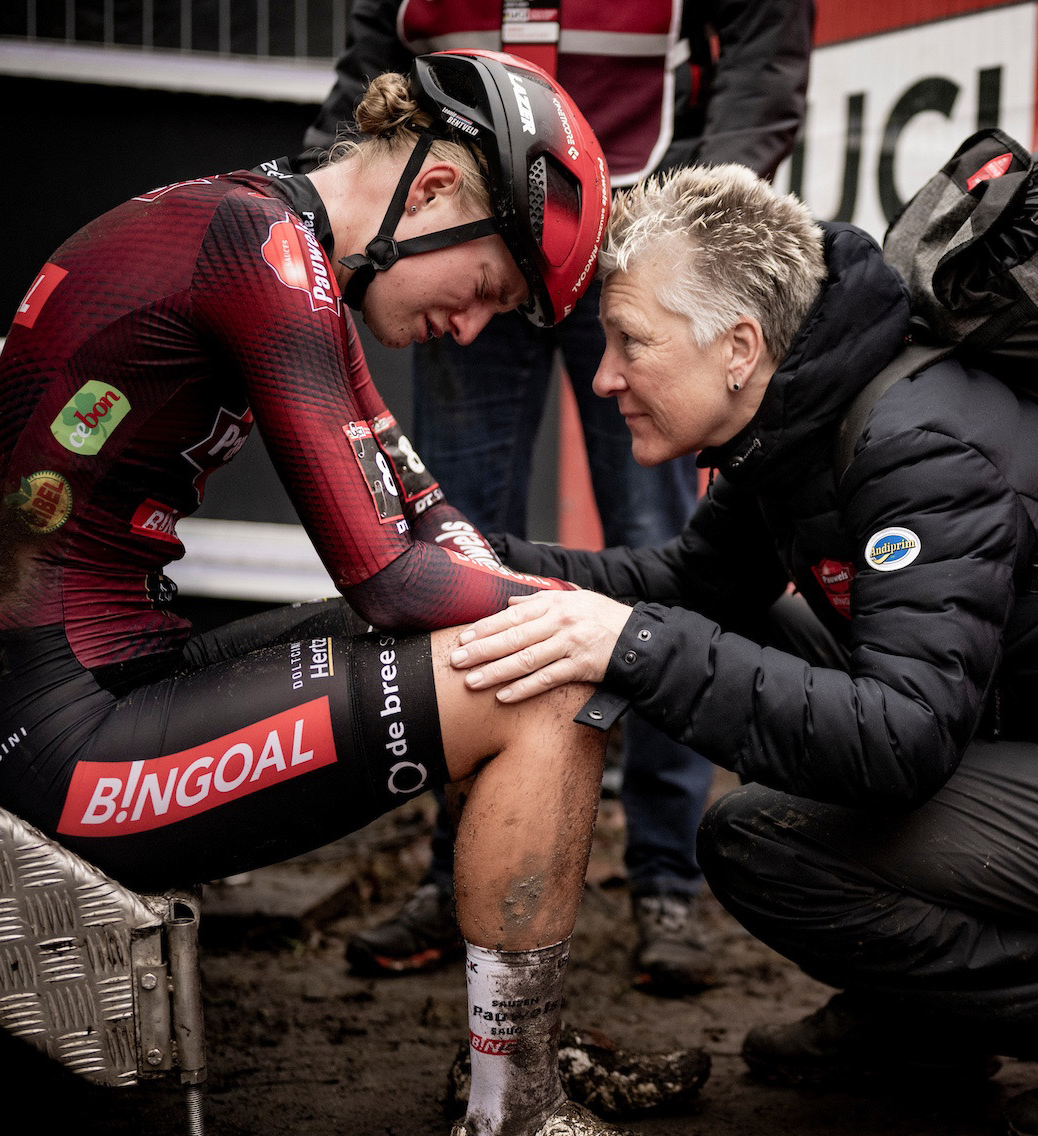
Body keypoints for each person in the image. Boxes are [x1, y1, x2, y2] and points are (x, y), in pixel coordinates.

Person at [0, 52, 735, 1136]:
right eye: (491, 287)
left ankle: (517, 1063)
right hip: (50, 748)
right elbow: (388, 574)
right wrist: (617, 634)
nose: (468, 327)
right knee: (552, 680)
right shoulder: (258, 256)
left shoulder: (285, 240)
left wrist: (569, 613)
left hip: (107, 682)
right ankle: (509, 1130)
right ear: (433, 194)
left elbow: (427, 517)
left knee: (540, 650)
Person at [445, 165, 1038, 1136]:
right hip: (1022, 745)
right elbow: (688, 586)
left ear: (740, 347)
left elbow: (904, 741)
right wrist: (471, 562)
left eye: (631, 343)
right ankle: (924, 1019)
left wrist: (635, 644)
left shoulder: (915, 440)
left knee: (764, 843)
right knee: (738, 636)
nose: (605, 375)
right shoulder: (796, 419)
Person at [306, 0, 815, 992]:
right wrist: (347, 187)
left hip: (633, 235)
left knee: (669, 553)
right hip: (460, 229)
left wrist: (700, 207)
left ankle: (667, 875)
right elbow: (375, 49)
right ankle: (461, 866)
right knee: (453, 555)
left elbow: (761, 41)